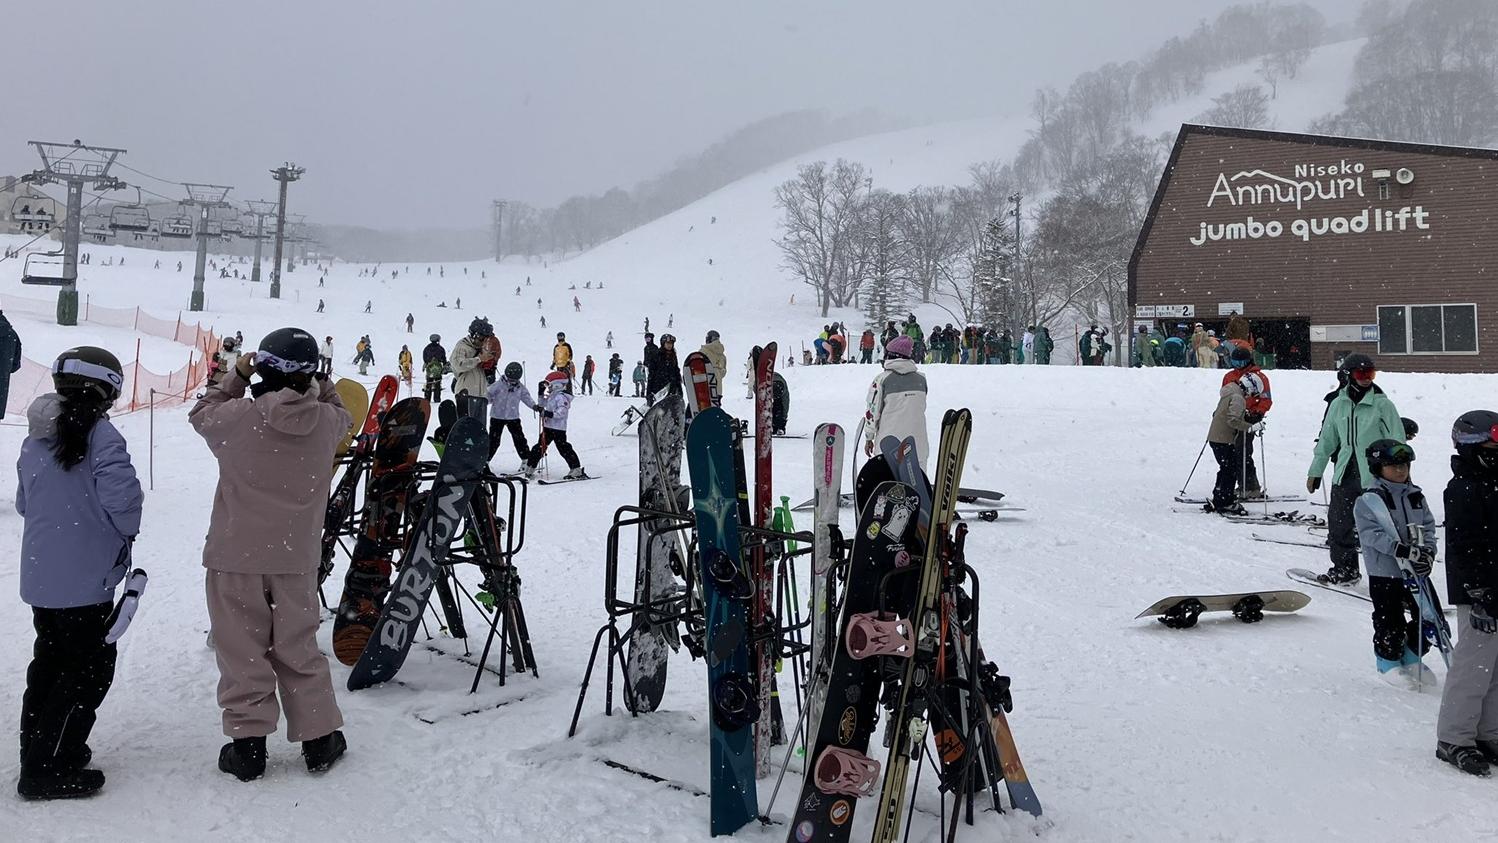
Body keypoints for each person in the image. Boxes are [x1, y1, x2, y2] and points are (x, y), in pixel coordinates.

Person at [190, 328, 350, 783]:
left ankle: (248, 747)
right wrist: (321, 379)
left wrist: (238, 375)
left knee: (241, 651)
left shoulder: (236, 417)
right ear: (312, 373)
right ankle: (319, 740)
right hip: (295, 559)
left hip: (235, 556)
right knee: (299, 648)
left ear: (262, 367)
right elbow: (342, 411)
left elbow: (201, 412)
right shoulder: (327, 423)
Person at [16, 347, 142, 800]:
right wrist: (122, 535)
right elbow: (124, 505)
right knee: (86, 672)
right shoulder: (102, 436)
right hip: (85, 581)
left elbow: (24, 503)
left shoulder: (36, 434)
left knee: (50, 665)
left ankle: (47, 750)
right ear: (106, 389)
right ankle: (44, 770)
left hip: (43, 578)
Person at [1307, 353, 1405, 585]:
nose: (1366, 378)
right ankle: (1345, 569)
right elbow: (1327, 440)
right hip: (1345, 473)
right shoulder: (1338, 404)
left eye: (1370, 373)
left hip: (1375, 476)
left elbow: (1398, 441)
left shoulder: (1382, 405)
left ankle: (1393, 574)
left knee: (1384, 527)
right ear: (1349, 375)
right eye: (1361, 373)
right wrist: (1315, 471)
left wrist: (1398, 474)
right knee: (1339, 525)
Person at [1436, 410, 1498, 776]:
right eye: (1491, 451)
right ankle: (1454, 737)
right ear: (1471, 449)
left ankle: (1488, 733)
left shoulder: (1493, 483)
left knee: (1494, 667)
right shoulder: (1463, 487)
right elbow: (1464, 544)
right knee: (1473, 667)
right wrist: (1479, 591)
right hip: (1478, 592)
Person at [1352, 439, 1438, 688]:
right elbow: (1369, 534)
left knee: (1430, 617)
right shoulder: (1369, 500)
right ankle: (1387, 660)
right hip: (1385, 571)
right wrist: (1398, 549)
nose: (1400, 470)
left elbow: (1428, 527)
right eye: (1393, 466)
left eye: (1404, 465)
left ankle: (1411, 655)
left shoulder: (1416, 497)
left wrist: (1428, 554)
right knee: (1390, 619)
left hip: (1415, 571)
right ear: (1378, 468)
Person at [861, 335, 929, 468]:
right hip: (917, 448)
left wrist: (869, 437)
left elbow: (872, 413)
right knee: (916, 480)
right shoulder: (921, 379)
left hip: (888, 447)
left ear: (890, 354)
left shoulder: (882, 380)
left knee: (888, 481)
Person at [1223, 344, 1272, 499]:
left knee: (1243, 451)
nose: (1238, 365)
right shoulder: (1229, 376)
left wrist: (1257, 413)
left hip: (1249, 418)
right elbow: (1225, 396)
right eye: (1235, 362)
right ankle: (1239, 484)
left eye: (1241, 362)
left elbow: (1266, 399)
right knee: (1231, 452)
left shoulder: (1258, 378)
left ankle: (1250, 486)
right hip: (1232, 417)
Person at [1204, 373, 1257, 516]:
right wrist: (1251, 427)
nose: (1251, 396)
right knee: (1230, 469)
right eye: (1253, 392)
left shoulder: (1230, 391)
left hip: (1217, 437)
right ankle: (1225, 501)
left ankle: (1220, 496)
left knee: (1226, 467)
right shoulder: (1238, 397)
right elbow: (1232, 420)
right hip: (1223, 439)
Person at [522, 370, 585, 480]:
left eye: (549, 385)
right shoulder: (552, 395)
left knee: (563, 448)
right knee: (539, 447)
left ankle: (576, 469)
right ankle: (530, 467)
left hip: (558, 428)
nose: (548, 387)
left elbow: (562, 412)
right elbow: (542, 404)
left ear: (557, 385)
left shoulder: (562, 397)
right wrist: (540, 394)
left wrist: (548, 414)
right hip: (548, 427)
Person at [485, 362, 536, 463]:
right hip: (497, 416)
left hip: (513, 417)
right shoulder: (498, 385)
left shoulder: (520, 387)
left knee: (519, 439)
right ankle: (485, 461)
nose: (512, 382)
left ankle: (526, 460)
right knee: (494, 441)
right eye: (510, 379)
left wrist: (534, 406)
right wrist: (485, 401)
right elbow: (488, 395)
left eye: (514, 380)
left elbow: (526, 398)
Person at [451, 319, 495, 399]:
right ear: (474, 335)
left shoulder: (482, 349)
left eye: (486, 340)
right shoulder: (462, 347)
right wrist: (478, 359)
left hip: (481, 395)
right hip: (465, 394)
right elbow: (458, 365)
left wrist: (490, 368)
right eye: (481, 339)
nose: (483, 342)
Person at [647, 334, 681, 404]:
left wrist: (679, 388)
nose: (669, 345)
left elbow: (676, 372)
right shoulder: (656, 355)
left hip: (671, 388)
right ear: (663, 343)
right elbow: (651, 374)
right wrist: (649, 392)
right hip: (658, 389)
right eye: (668, 343)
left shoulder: (673, 356)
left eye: (671, 343)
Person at [771, 371, 790, 436]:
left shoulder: (784, 391)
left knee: (779, 406)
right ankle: (770, 426)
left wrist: (783, 420)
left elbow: (785, 405)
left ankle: (779, 427)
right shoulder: (762, 386)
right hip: (766, 383)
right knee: (765, 407)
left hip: (777, 384)